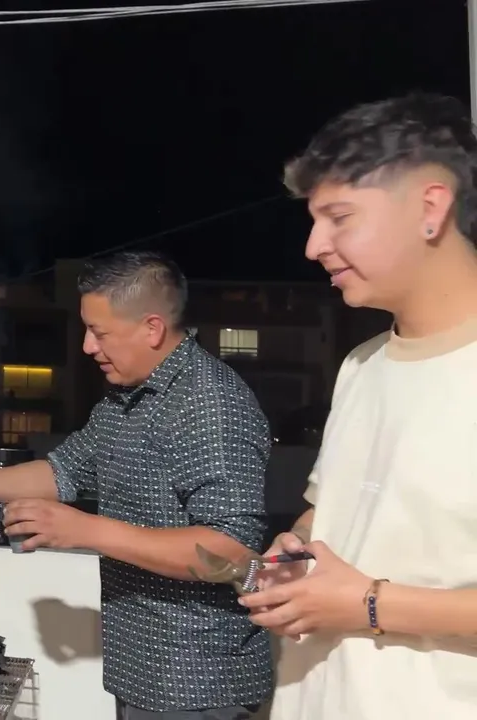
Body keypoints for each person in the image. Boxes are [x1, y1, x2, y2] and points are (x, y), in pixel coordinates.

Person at [0, 251, 273, 720]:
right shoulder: (125, 399)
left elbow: (233, 550)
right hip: (143, 672)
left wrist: (84, 530)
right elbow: (64, 471)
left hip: (199, 681)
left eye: (99, 332)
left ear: (152, 328)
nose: (86, 346)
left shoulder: (210, 402)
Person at [240, 93, 477, 718]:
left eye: (339, 217)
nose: (313, 246)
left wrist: (368, 603)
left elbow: (360, 593)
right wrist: (294, 549)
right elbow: (339, 512)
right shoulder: (361, 365)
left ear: (430, 209)